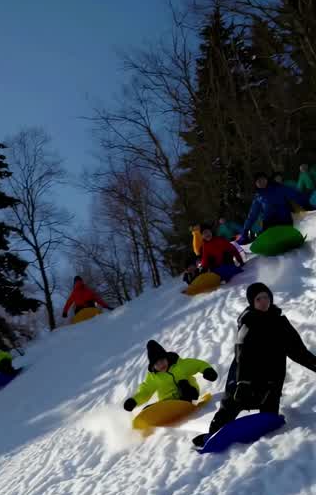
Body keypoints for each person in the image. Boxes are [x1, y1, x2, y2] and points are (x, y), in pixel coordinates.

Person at [192, 282, 316, 449]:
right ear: (252, 302)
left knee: (269, 417)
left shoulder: (281, 323)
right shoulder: (248, 324)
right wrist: (242, 382)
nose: (264, 301)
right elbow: (241, 355)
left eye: (266, 297)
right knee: (230, 406)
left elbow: (298, 351)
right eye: (259, 299)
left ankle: (265, 444)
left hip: (272, 378)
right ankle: (212, 436)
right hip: (246, 377)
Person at [123, 340, 218, 411]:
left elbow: (198, 365)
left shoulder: (180, 365)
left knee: (183, 383)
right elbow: (146, 392)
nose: (161, 365)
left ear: (167, 358)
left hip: (189, 394)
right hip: (168, 402)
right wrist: (134, 401)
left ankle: (186, 403)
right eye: (157, 364)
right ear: (153, 366)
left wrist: (207, 371)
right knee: (147, 409)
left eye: (162, 360)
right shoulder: (153, 377)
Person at [238, 172, 311, 242]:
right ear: (255, 184)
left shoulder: (278, 188)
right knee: (267, 232)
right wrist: (245, 230)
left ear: (267, 179)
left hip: (284, 220)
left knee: (281, 233)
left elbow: (295, 195)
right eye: (258, 181)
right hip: (269, 224)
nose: (261, 182)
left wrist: (307, 204)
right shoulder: (258, 197)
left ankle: (288, 237)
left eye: (263, 179)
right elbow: (252, 215)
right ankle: (262, 237)